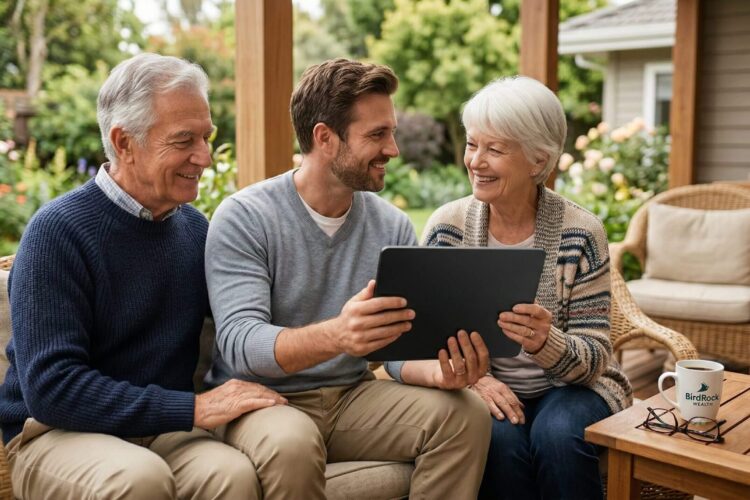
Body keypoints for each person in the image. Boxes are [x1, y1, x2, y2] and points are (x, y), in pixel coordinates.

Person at [0, 53, 288, 500]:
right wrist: (192, 407)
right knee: (138, 479)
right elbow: (52, 389)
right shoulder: (56, 232)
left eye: (206, 137)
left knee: (231, 473)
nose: (205, 156)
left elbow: (247, 324)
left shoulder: (195, 231)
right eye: (184, 140)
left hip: (159, 428)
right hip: (53, 433)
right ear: (124, 142)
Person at [204, 58, 492, 499]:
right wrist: (338, 335)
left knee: (466, 413)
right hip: (261, 400)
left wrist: (440, 374)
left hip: (351, 397)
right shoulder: (246, 217)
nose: (393, 149)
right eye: (377, 134)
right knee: (292, 443)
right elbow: (242, 346)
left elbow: (394, 348)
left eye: (391, 132)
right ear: (324, 138)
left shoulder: (391, 225)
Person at [414, 76, 633, 500]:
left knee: (557, 434)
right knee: (497, 439)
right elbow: (423, 340)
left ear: (538, 161)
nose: (476, 161)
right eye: (472, 144)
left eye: (494, 149)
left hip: (571, 388)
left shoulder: (581, 232)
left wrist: (544, 342)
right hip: (481, 387)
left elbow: (594, 357)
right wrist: (477, 382)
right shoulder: (448, 228)